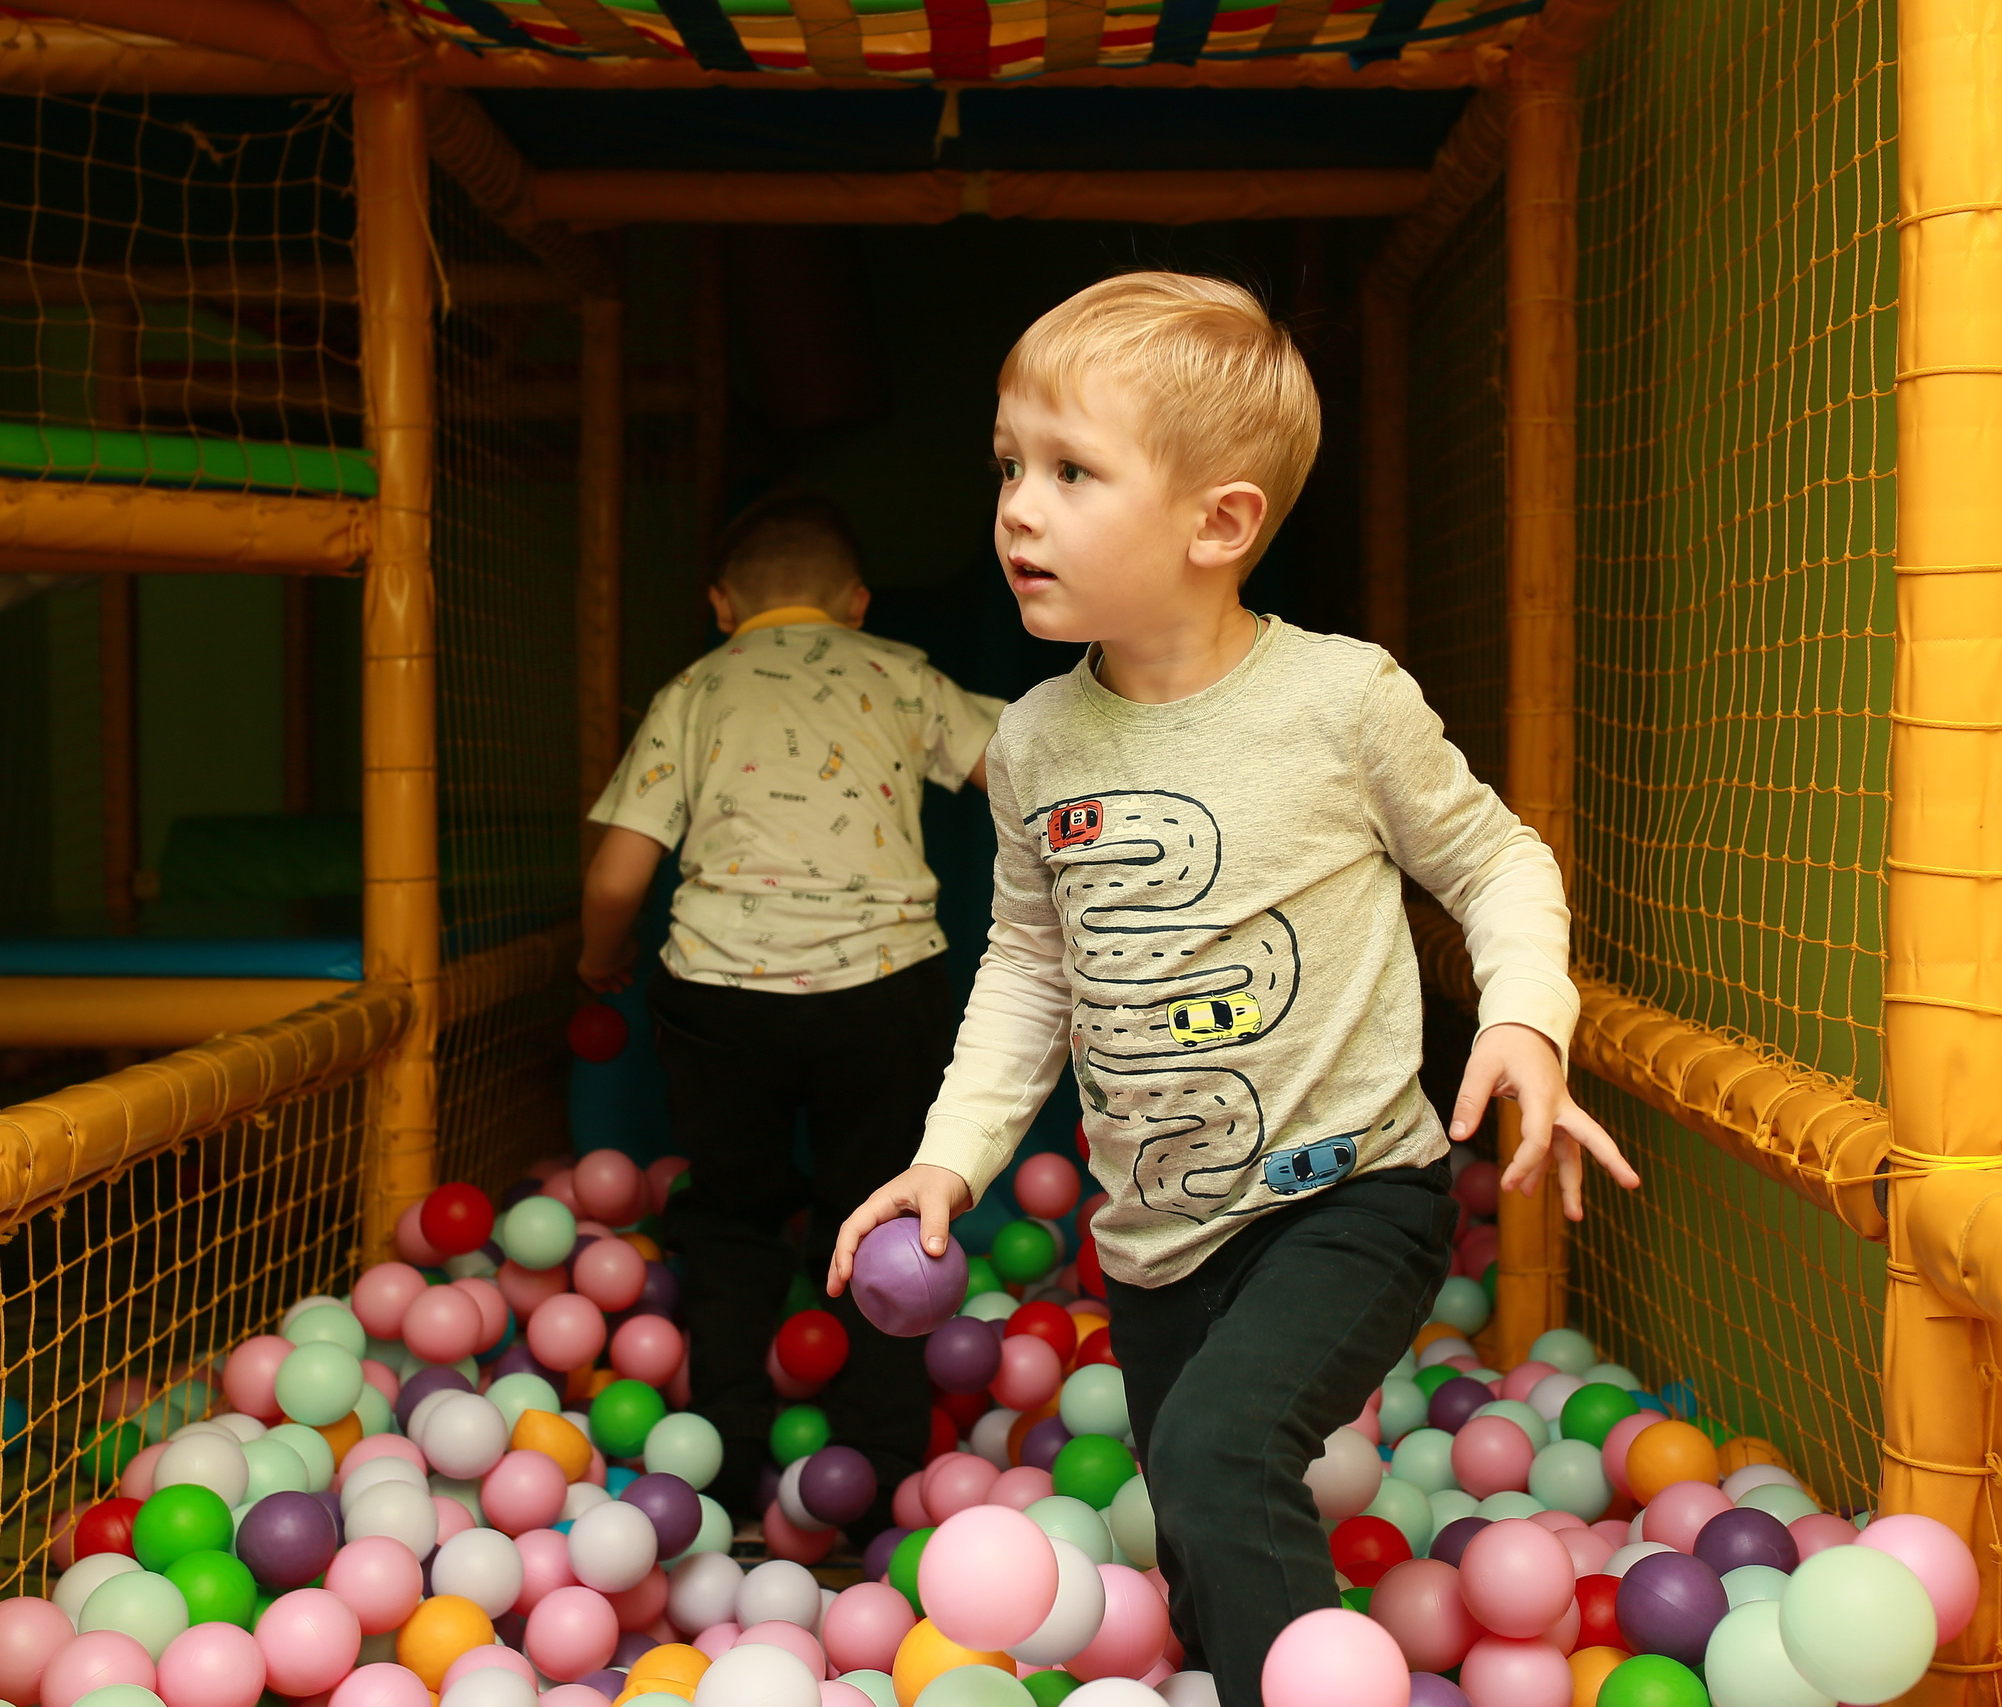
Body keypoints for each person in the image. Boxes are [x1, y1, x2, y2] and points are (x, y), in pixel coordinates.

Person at [826, 274, 1638, 1701]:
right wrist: (947, 1160)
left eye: (1073, 471)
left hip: (1352, 1194)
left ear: (1221, 523)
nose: (1019, 505)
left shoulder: (1340, 699)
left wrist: (1524, 1013)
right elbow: (1027, 971)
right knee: (1198, 1508)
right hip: (1155, 1234)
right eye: (1010, 465)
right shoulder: (1031, 744)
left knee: (1214, 1451)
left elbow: (1498, 859)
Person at [579, 490, 1004, 1536]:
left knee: (731, 1212)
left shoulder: (693, 690)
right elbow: (1023, 771)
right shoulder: (897, 672)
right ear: (855, 604)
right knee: (893, 1207)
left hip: (720, 1000)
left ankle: (719, 1458)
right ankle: (881, 1461)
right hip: (882, 988)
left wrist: (600, 959)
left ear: (722, 606)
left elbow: (619, 870)